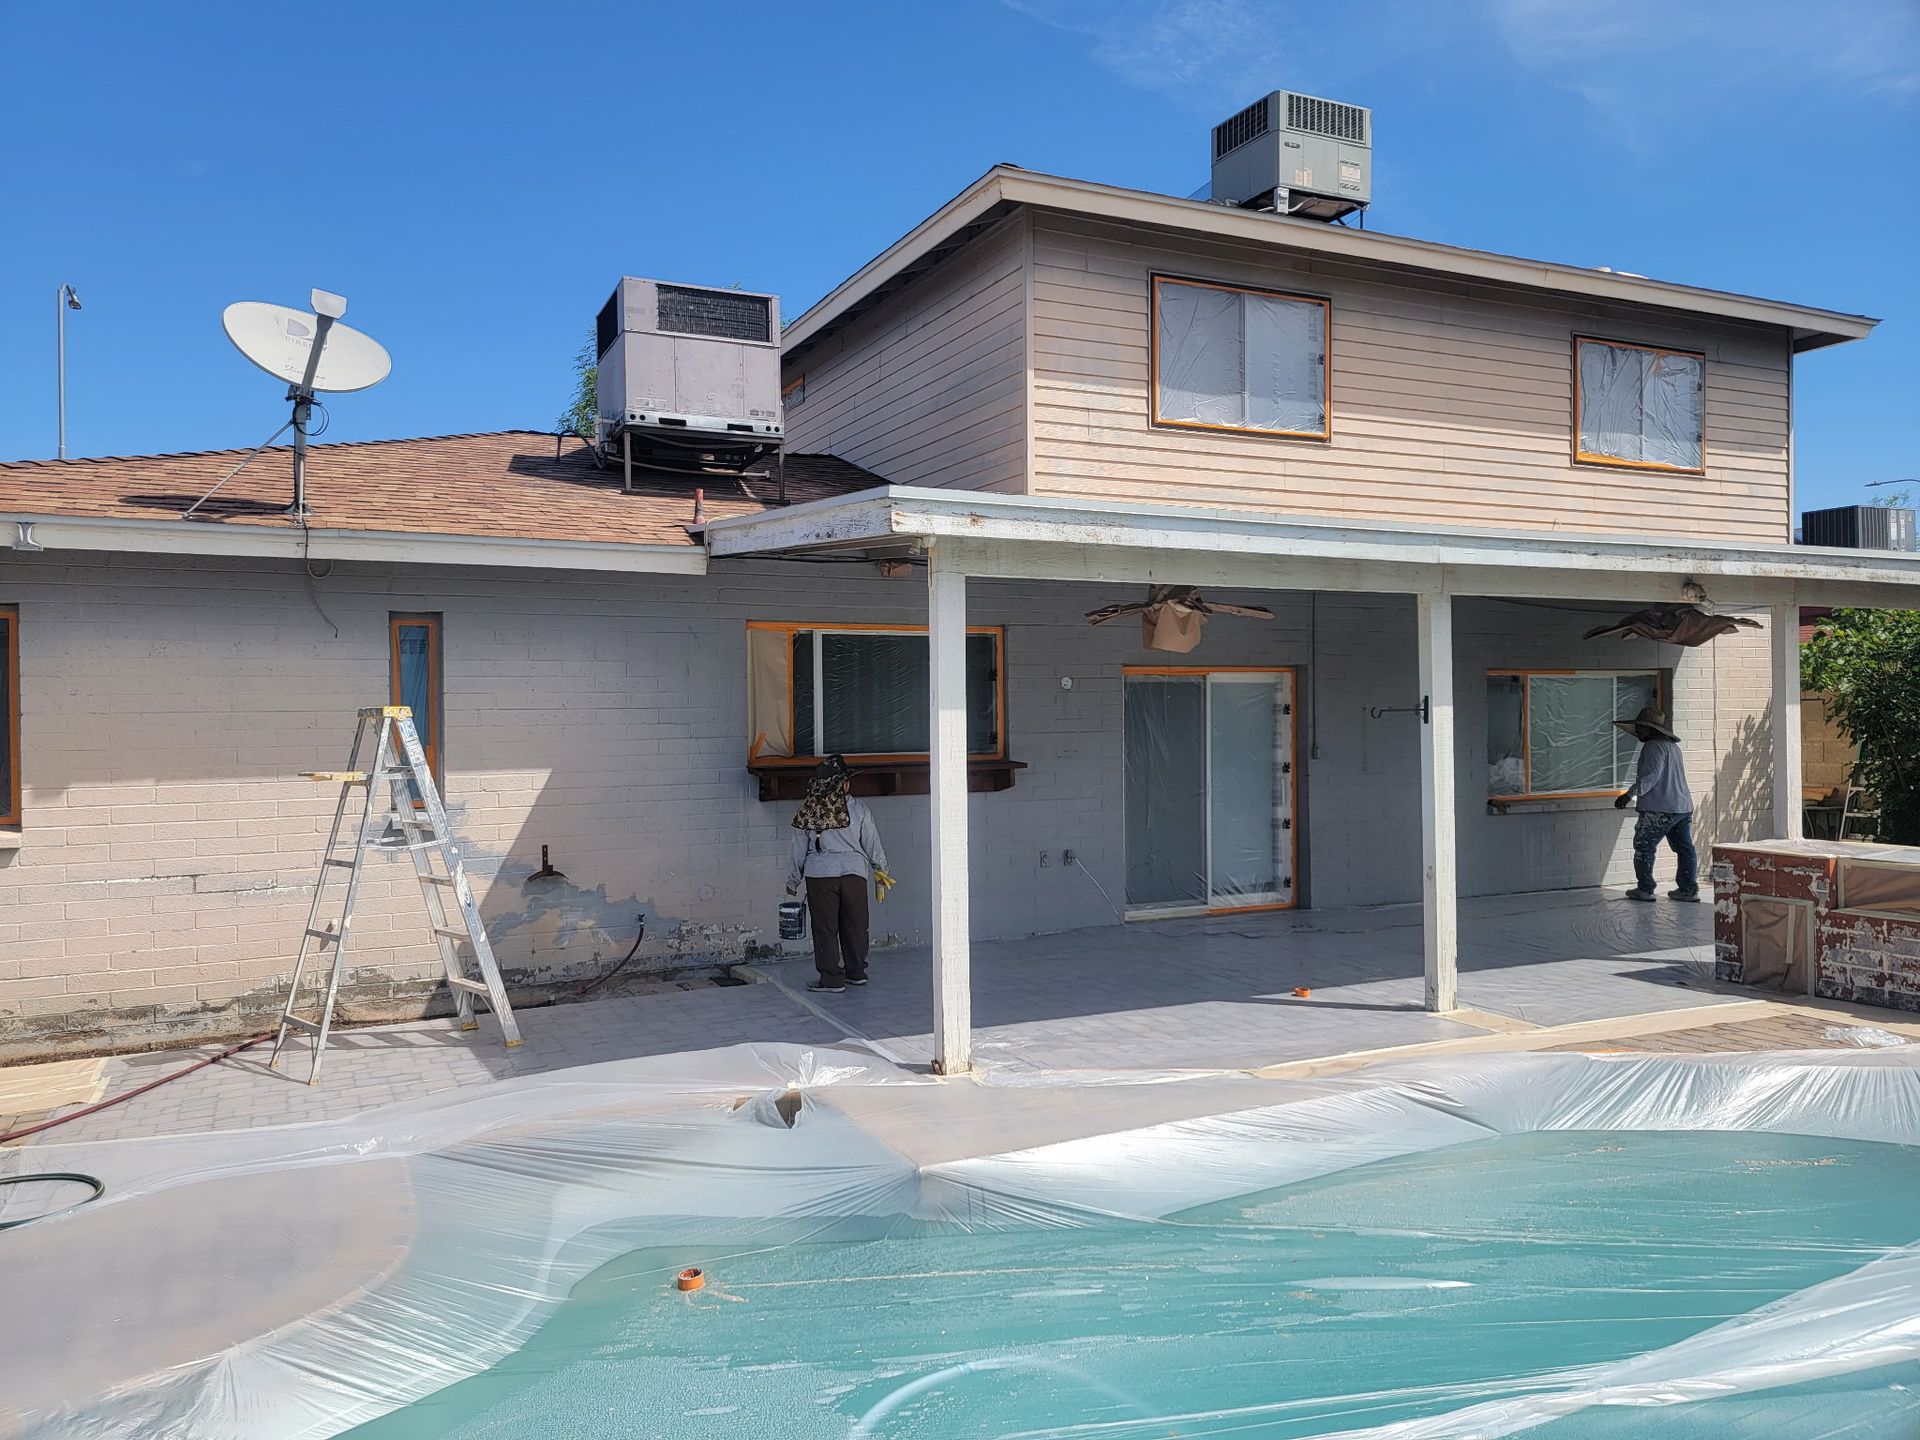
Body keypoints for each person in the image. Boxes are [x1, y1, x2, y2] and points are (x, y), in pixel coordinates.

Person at [786, 755, 891, 993]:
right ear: (843, 784)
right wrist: (881, 872)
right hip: (854, 875)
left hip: (820, 876)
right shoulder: (859, 809)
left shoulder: (808, 809)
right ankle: (856, 972)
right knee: (856, 925)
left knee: (825, 928)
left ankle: (831, 978)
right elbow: (872, 844)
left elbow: (798, 848)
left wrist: (793, 880)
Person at [1612, 706, 1698, 902]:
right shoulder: (1673, 747)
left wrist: (1628, 795)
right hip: (1682, 806)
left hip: (1659, 808)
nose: (1637, 731)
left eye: (1640, 727)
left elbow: (1650, 776)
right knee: (1685, 848)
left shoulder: (1653, 747)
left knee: (1644, 846)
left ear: (1650, 729)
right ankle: (1688, 890)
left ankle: (1645, 889)